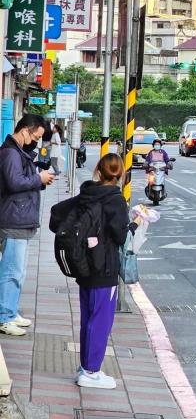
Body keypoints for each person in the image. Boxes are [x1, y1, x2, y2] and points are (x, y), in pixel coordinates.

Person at [50, 153, 139, 389]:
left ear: (98, 170)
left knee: (88, 318)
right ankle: (91, 371)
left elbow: (55, 215)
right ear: (120, 174)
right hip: (105, 267)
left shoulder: (87, 194)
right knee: (101, 320)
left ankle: (85, 367)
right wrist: (136, 223)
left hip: (84, 266)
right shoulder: (115, 200)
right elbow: (120, 236)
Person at [0, 114, 55, 336]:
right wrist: (38, 179)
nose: (36, 141)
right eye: (35, 136)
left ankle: (10, 312)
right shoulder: (11, 153)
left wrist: (39, 180)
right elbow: (14, 183)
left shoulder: (18, 152)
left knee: (17, 271)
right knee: (12, 271)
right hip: (13, 220)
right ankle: (5, 317)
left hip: (19, 218)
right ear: (25, 131)